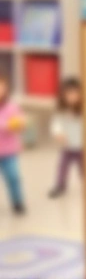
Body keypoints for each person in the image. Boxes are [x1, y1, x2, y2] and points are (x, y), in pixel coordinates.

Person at [48, 78, 84, 198]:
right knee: (62, 167)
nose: (72, 97)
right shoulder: (61, 111)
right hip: (67, 146)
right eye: (68, 94)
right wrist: (58, 133)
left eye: (75, 93)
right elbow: (56, 125)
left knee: (84, 168)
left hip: (82, 147)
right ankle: (60, 185)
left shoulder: (83, 111)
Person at [0, 70, 26, 215]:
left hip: (9, 152)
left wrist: (18, 124)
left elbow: (21, 123)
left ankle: (17, 202)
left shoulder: (12, 107)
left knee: (13, 177)